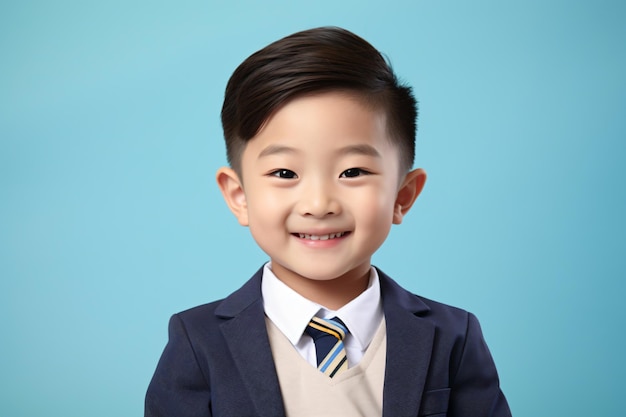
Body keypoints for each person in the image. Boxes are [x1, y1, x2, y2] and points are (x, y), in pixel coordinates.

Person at [145, 26, 511, 417]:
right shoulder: (198, 341)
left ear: (402, 196)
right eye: (285, 173)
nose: (319, 204)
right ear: (239, 196)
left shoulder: (452, 336)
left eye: (353, 172)